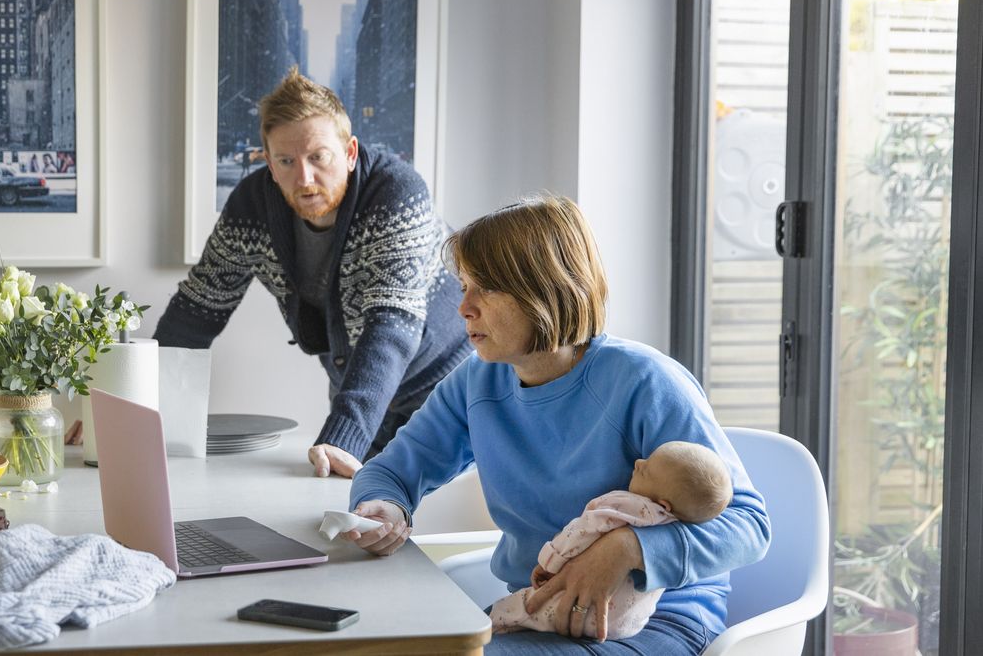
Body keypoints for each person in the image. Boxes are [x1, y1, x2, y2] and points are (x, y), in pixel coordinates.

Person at [345, 196, 770, 654]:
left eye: (485, 288)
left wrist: (626, 548)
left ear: (544, 289)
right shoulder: (477, 381)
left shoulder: (645, 382)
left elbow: (749, 526)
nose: (464, 307)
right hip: (539, 614)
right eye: (464, 286)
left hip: (650, 623)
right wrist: (384, 507)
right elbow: (390, 471)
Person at [154, 68, 471, 478]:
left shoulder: (395, 193)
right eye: (286, 161)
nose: (304, 178)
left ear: (350, 152)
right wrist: (127, 409)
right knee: (349, 520)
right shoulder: (251, 207)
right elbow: (196, 311)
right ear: (268, 161)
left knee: (411, 521)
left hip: (444, 388)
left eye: (318, 157)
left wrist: (342, 438)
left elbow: (390, 325)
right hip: (362, 393)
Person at [490, 441, 733, 639]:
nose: (638, 462)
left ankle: (498, 621)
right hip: (626, 623)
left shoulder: (621, 504)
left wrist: (550, 561)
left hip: (574, 605)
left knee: (510, 612)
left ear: (663, 503)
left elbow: (580, 531)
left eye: (646, 469)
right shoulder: (676, 520)